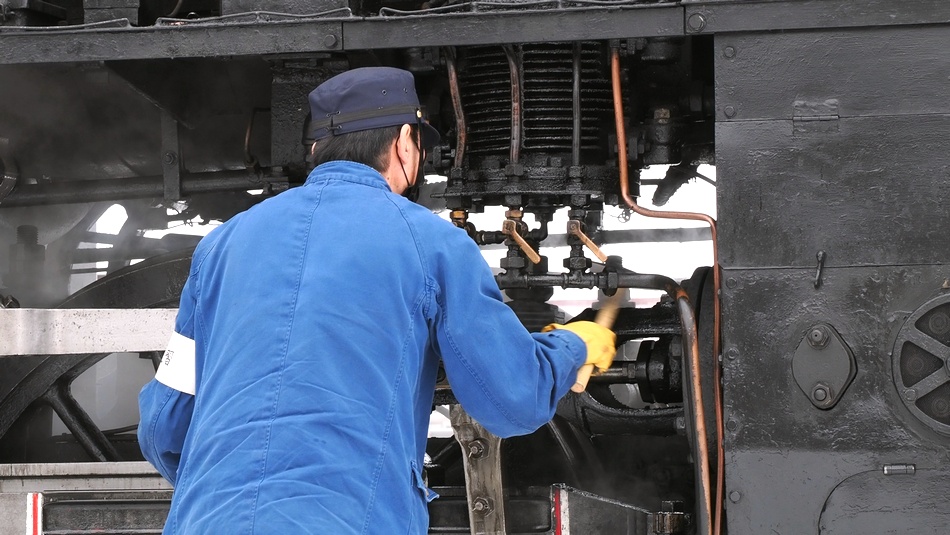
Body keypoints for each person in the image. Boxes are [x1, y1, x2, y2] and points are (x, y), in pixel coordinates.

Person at [138, 66, 616, 534]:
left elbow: (163, 427)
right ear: (405, 141)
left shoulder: (221, 246)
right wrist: (573, 345)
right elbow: (513, 399)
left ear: (315, 149)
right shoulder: (432, 243)